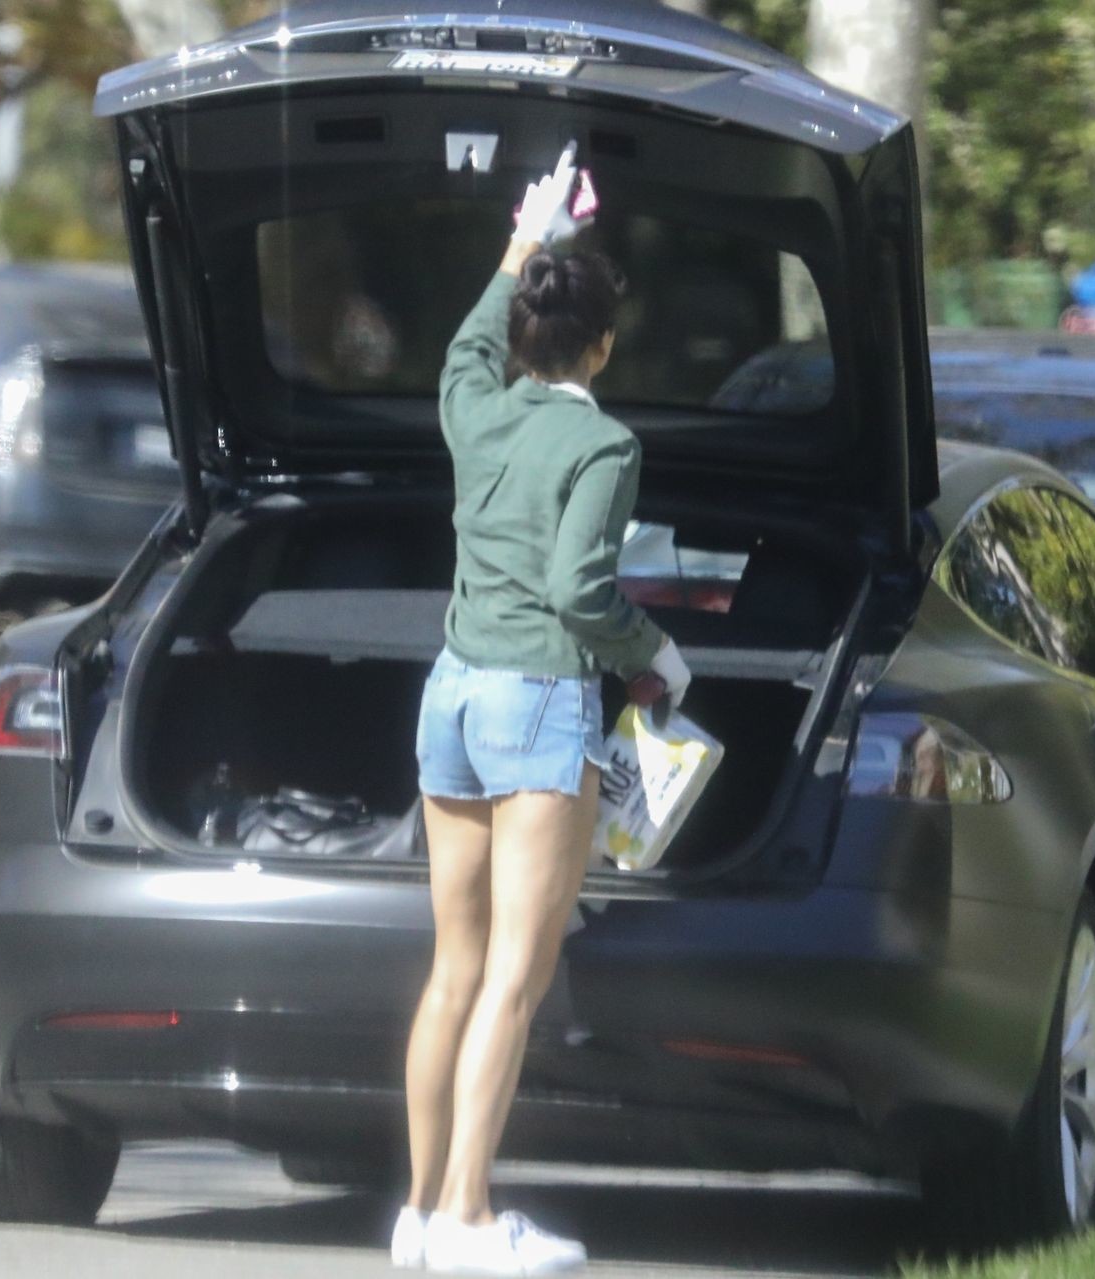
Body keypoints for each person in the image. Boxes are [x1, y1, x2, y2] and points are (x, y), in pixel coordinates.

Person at [392, 146, 691, 1275]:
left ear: (524, 336)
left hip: (452, 696)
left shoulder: (476, 407)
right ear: (602, 346)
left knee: (453, 969)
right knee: (515, 978)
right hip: (538, 703)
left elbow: (466, 343)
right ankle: (471, 1219)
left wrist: (527, 234)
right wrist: (653, 652)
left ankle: (419, 1213)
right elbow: (579, 591)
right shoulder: (604, 444)